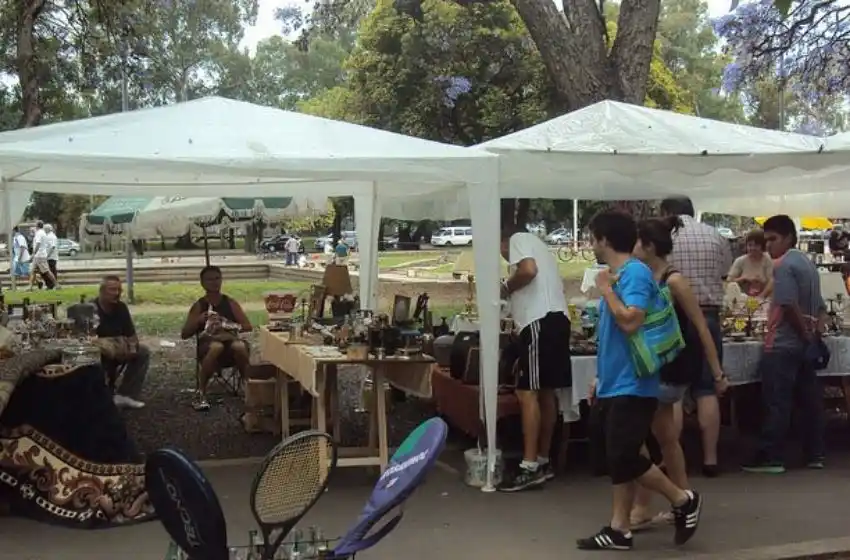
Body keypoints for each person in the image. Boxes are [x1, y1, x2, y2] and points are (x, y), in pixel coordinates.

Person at [579, 210, 702, 551]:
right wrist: (600, 378)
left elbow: (631, 321)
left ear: (604, 239)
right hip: (614, 380)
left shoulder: (633, 274)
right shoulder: (622, 274)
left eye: (593, 237)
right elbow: (611, 337)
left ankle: (681, 498)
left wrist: (605, 290)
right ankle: (619, 528)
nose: (591, 244)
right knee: (618, 456)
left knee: (624, 454)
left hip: (633, 383)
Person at [630, 217, 728, 530]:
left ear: (649, 246)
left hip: (671, 367)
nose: (631, 248)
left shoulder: (674, 281)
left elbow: (700, 326)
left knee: (645, 436)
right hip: (658, 365)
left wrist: (716, 372)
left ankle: (655, 504)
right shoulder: (648, 277)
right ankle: (682, 499)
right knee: (666, 438)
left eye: (636, 242)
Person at [743, 215, 827, 473]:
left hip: (782, 342)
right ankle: (815, 454)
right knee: (809, 401)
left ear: (788, 237)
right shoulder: (808, 265)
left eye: (772, 239)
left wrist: (804, 333)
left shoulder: (782, 265)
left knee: (777, 401)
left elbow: (788, 304)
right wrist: (814, 334)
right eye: (766, 239)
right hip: (802, 343)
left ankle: (772, 456)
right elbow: (821, 307)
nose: (768, 245)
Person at [660, 196, 731, 477]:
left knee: (673, 391)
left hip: (673, 316)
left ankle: (671, 456)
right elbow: (725, 273)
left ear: (667, 213)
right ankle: (710, 459)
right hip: (709, 314)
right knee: (706, 389)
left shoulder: (664, 237)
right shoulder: (715, 235)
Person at [497, 226, 571, 492]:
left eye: (500, 250)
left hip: (540, 321)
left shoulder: (519, 239)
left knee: (526, 392)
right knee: (545, 392)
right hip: (556, 320)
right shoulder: (539, 245)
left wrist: (505, 287)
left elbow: (528, 271)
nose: (504, 256)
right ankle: (542, 459)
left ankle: (528, 466)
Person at [181, 265, 253, 411]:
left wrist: (226, 324)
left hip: (230, 346)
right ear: (202, 283)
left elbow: (247, 326)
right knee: (216, 347)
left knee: (239, 346)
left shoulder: (230, 303)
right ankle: (201, 392)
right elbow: (184, 334)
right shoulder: (199, 305)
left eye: (217, 278)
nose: (214, 282)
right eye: (209, 279)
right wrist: (199, 320)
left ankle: (249, 388)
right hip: (208, 348)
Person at [94, 275, 149, 409]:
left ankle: (126, 394)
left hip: (120, 348)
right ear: (101, 291)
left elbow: (131, 335)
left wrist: (131, 348)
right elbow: (89, 339)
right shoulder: (92, 309)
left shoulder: (121, 308)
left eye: (119, 290)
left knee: (142, 352)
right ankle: (99, 396)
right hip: (99, 350)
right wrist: (109, 346)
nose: (117, 293)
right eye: (112, 290)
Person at [727, 230, 773, 297]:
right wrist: (744, 278)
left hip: (764, 299)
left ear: (762, 246)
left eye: (756, 245)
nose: (752, 248)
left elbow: (772, 281)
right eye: (750, 245)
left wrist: (761, 296)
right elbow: (729, 281)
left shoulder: (768, 259)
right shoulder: (740, 261)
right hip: (742, 299)